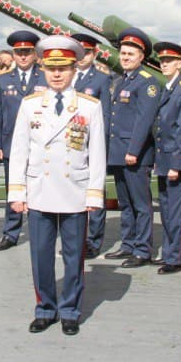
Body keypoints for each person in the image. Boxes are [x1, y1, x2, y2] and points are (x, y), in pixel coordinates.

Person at [9, 35, 106, 336]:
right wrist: (16, 191)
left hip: (74, 191)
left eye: (63, 67)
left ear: (74, 69)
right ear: (43, 70)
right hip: (39, 191)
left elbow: (98, 153)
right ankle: (45, 308)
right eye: (51, 68)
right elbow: (19, 150)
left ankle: (70, 311)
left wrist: (94, 193)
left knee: (74, 256)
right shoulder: (30, 105)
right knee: (40, 254)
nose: (57, 74)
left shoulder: (89, 107)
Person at [105, 28, 161, 267]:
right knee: (125, 203)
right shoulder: (121, 81)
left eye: (130, 54)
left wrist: (134, 151)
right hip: (118, 151)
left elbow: (144, 120)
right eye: (123, 53)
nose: (125, 57)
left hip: (133, 155)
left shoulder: (147, 83)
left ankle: (142, 249)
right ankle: (128, 244)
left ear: (142, 57)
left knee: (140, 204)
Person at [0, 30, 45, 250]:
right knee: (13, 189)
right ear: (13, 54)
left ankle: (40, 231)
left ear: (34, 54)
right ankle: (11, 233)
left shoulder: (45, 76)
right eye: (19, 52)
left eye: (27, 52)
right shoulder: (3, 80)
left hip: (39, 144)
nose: (22, 56)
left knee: (39, 189)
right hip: (11, 144)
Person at [151, 42, 181, 274]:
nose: (165, 64)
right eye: (162, 61)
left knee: (176, 213)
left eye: (169, 61)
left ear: (180, 64)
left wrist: (177, 164)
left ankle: (176, 257)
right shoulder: (168, 88)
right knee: (168, 210)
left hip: (174, 163)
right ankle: (169, 253)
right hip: (164, 160)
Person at [71, 33, 112, 258]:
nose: (82, 56)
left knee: (94, 192)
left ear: (94, 53)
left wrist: (99, 145)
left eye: (87, 52)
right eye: (79, 52)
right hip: (69, 145)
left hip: (91, 143)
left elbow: (105, 115)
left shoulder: (101, 80)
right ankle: (74, 238)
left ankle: (93, 241)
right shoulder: (68, 77)